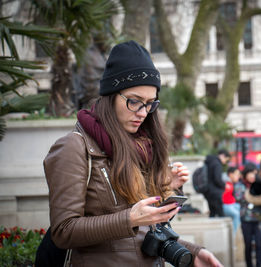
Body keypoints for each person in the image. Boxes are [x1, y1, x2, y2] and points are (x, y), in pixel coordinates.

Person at [42, 40, 222, 267]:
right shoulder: (73, 147)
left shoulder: (142, 146)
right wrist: (130, 218)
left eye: (150, 104)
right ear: (110, 96)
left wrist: (191, 251)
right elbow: (63, 231)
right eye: (134, 101)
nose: (143, 113)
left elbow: (141, 234)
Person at [234, 163, 261, 267]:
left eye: (255, 174)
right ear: (246, 174)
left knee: (259, 245)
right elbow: (239, 198)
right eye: (250, 173)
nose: (252, 176)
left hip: (259, 218)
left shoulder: (259, 184)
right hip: (246, 219)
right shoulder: (239, 185)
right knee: (248, 245)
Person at [203, 149, 231, 217]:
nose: (225, 163)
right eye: (226, 160)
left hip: (207, 190)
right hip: (215, 192)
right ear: (223, 156)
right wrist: (225, 185)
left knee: (212, 213)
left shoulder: (209, 162)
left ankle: (211, 226)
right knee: (220, 214)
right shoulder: (217, 164)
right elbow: (217, 179)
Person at [222, 166, 241, 236]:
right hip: (226, 205)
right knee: (237, 215)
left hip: (231, 204)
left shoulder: (230, 183)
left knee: (241, 209)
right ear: (230, 174)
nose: (238, 176)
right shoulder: (225, 183)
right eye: (237, 174)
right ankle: (234, 235)